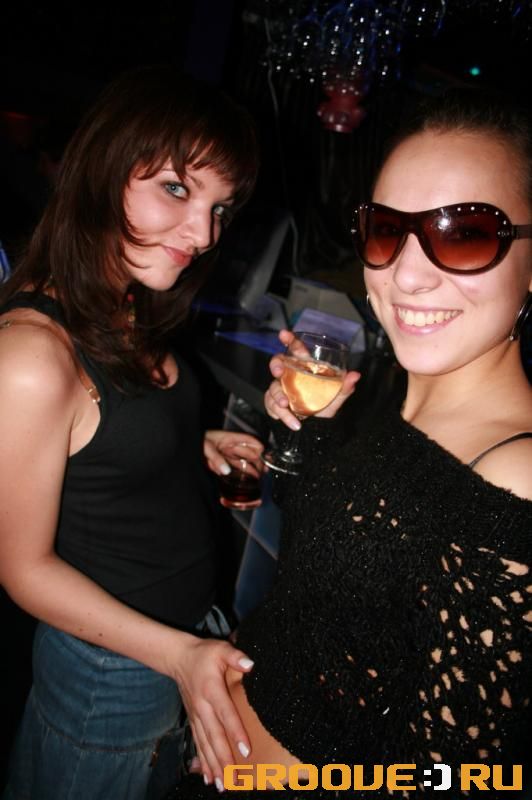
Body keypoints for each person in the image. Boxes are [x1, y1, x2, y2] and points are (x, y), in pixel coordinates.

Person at [172, 87, 532, 798]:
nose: (406, 274)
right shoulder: (383, 396)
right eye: (386, 231)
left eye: (464, 233)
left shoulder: (514, 474)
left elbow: (457, 778)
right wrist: (305, 430)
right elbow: (333, 578)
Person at [0, 64, 262, 800]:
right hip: (112, 674)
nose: (203, 233)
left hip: (175, 635)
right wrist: (178, 655)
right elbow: (22, 569)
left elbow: (96, 433)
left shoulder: (122, 300)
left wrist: (188, 444)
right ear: (102, 170)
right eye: (177, 188)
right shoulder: (29, 357)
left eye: (220, 206)